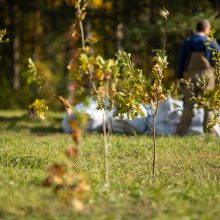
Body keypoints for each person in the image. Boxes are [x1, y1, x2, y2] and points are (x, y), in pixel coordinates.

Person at [176, 19, 220, 135]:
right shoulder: (210, 41)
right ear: (206, 29)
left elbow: (181, 60)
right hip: (207, 76)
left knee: (188, 103)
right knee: (208, 103)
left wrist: (179, 75)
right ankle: (209, 131)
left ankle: (181, 131)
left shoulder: (188, 41)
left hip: (191, 75)